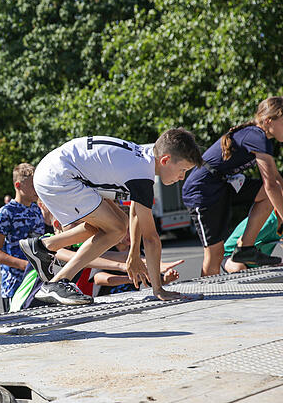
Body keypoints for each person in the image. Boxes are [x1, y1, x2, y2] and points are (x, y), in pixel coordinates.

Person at [20, 128, 203, 305]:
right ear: (165, 160)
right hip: (59, 176)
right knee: (115, 229)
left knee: (116, 225)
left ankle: (44, 246)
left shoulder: (145, 156)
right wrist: (158, 289)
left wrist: (133, 255)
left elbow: (135, 212)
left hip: (59, 169)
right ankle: (57, 281)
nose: (182, 177)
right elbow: (151, 238)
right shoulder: (142, 175)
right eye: (183, 170)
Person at [183, 97, 283, 276]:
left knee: (267, 196)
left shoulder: (261, 138)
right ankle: (210, 292)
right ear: (269, 121)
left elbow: (277, 181)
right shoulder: (256, 135)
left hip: (224, 184)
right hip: (202, 190)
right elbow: (271, 185)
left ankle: (245, 249)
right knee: (215, 254)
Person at [0, 164, 47, 312]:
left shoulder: (36, 210)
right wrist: (25, 265)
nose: (37, 189)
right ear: (18, 185)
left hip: (36, 282)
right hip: (14, 285)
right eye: (33, 185)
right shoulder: (6, 212)